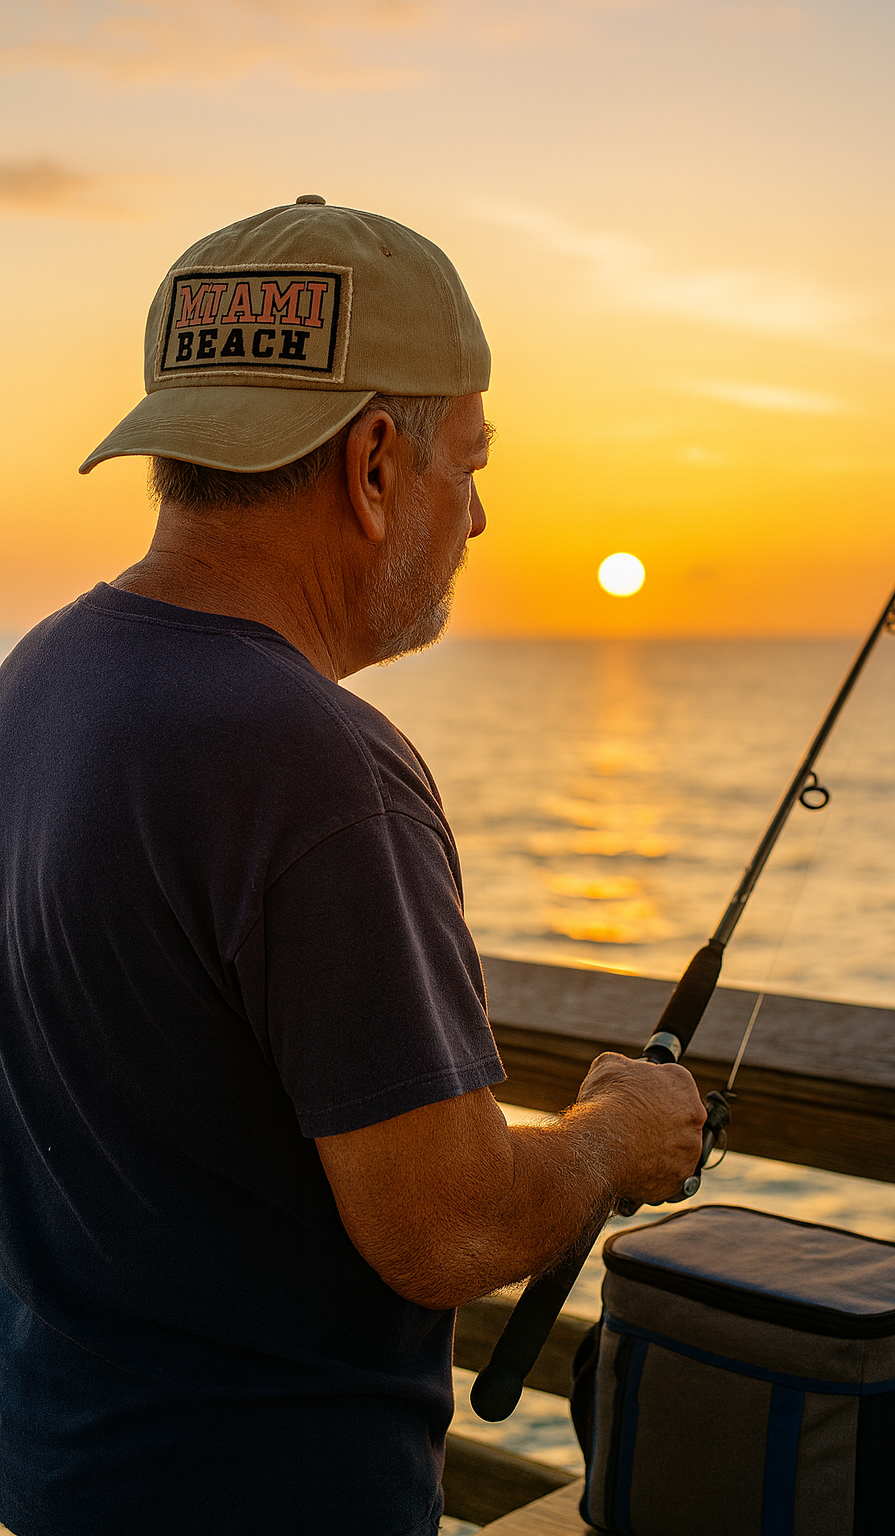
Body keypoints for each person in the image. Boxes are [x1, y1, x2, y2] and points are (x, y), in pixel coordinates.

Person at [0, 198, 705, 1536]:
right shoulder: (316, 765)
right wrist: (614, 1137)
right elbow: (442, 1227)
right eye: (471, 459)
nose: (481, 517)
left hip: (62, 1480)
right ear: (376, 465)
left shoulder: (39, 680)